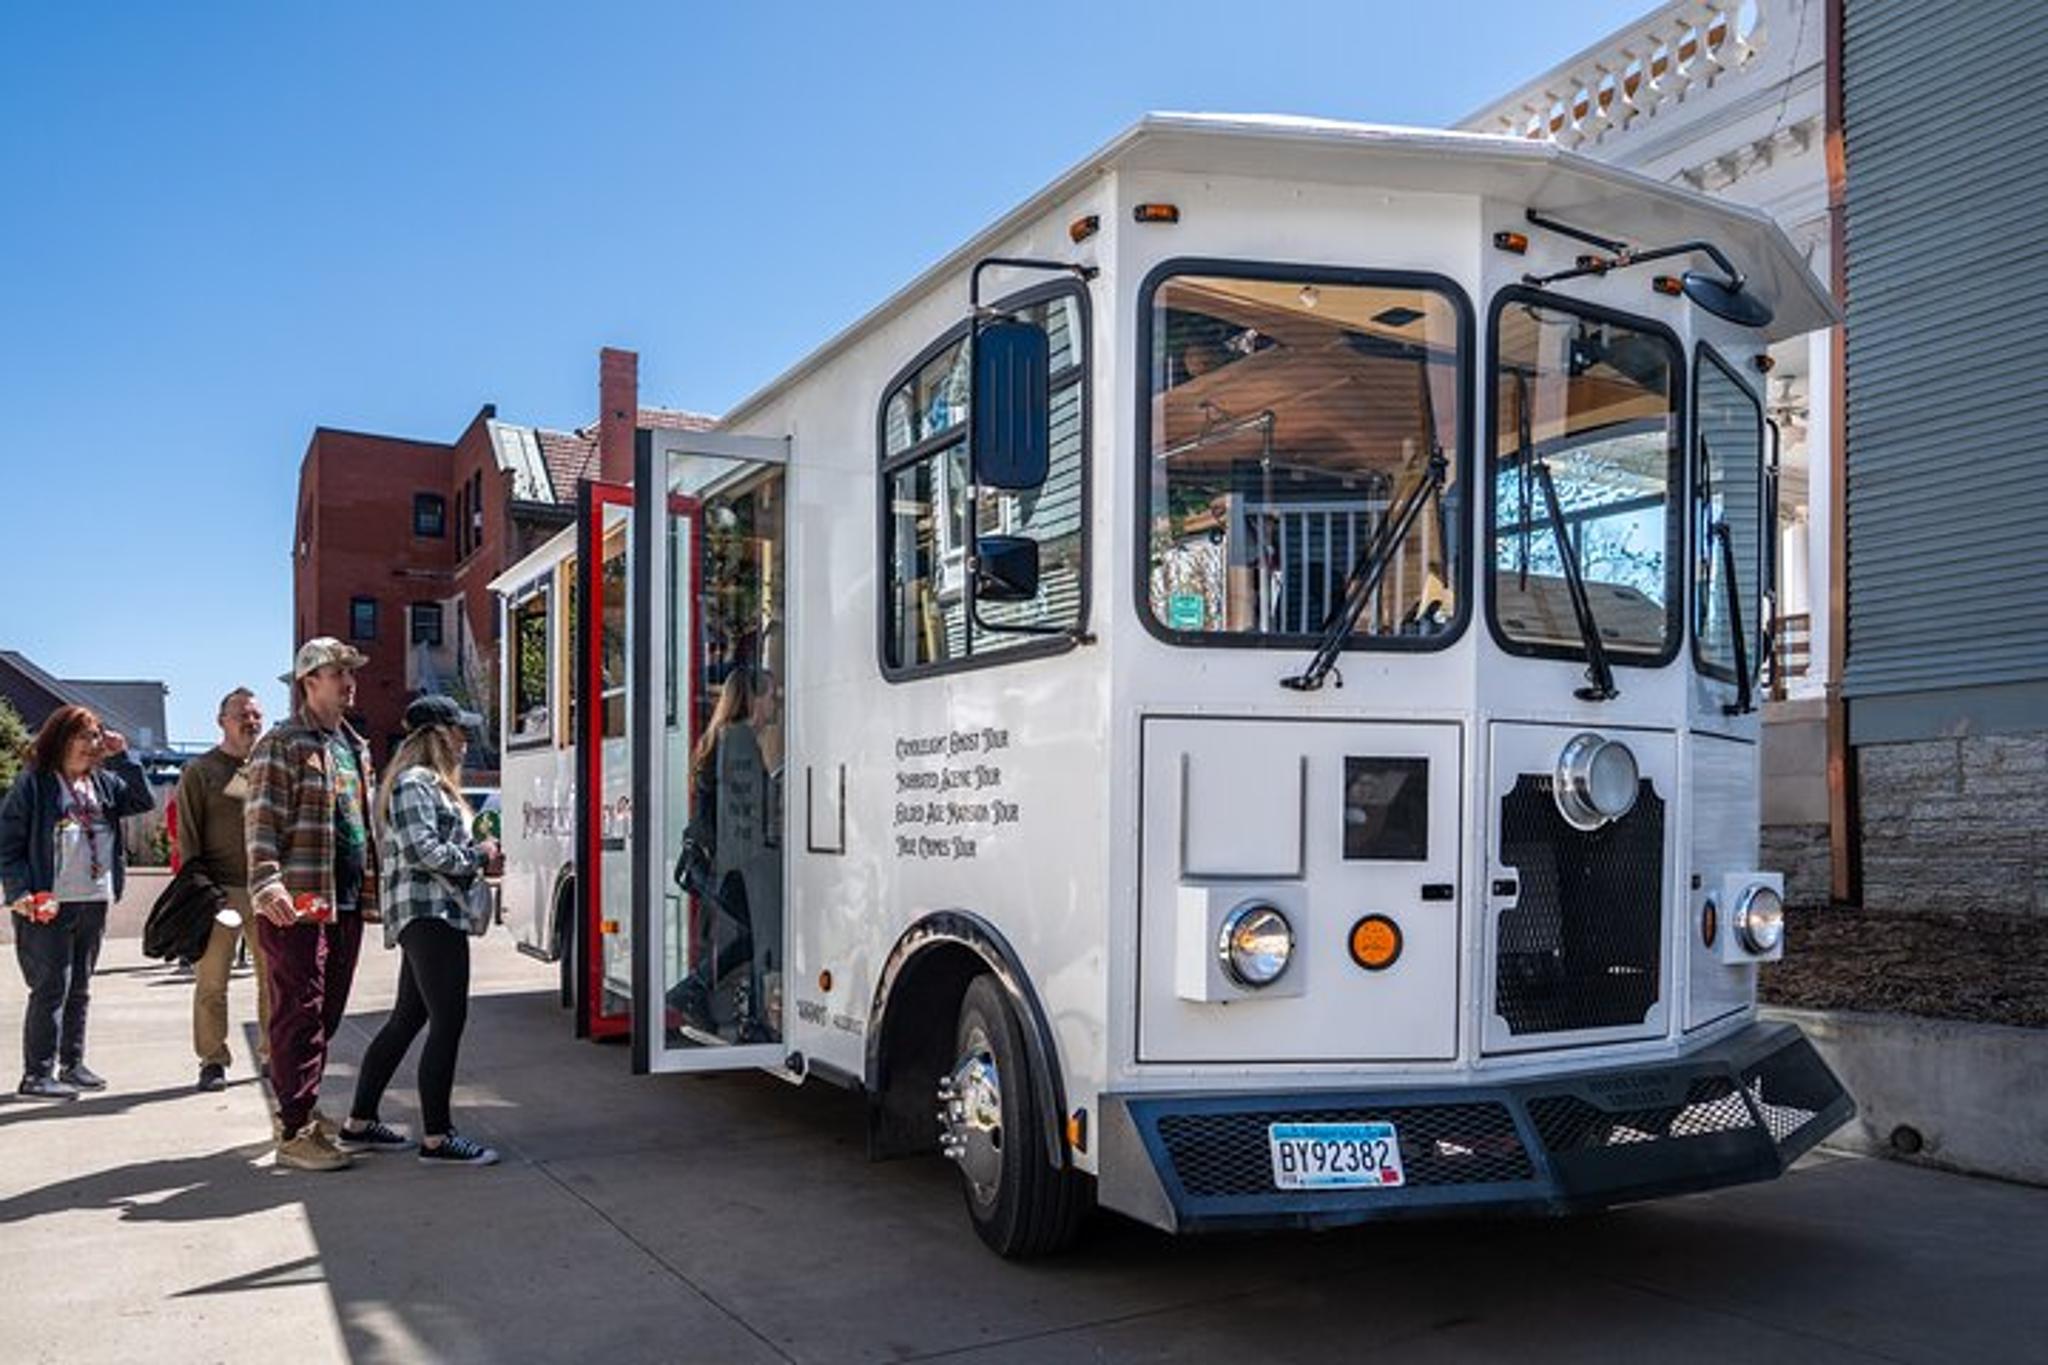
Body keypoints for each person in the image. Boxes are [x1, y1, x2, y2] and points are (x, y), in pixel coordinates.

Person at [340, 695, 501, 1166]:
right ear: (437, 735)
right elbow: (422, 850)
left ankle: (360, 1122)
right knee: (448, 1022)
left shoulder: (423, 784)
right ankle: (437, 1137)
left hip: (426, 914)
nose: (466, 741)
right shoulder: (416, 783)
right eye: (460, 731)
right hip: (430, 914)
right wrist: (479, 856)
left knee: (408, 1019)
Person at [245, 638, 377, 1171]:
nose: (348, 681)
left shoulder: (355, 746)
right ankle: (295, 1129)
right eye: (335, 672)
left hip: (344, 902)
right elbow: (261, 819)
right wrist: (266, 883)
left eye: (350, 671)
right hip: (295, 902)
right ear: (308, 682)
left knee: (326, 1010)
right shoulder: (282, 742)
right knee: (298, 1008)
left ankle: (301, 1110)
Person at [1, 705, 156, 1098]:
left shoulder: (103, 783)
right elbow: (8, 844)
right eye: (84, 736)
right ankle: (36, 1075)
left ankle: (72, 1064)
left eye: (96, 736)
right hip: (47, 902)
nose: (93, 744)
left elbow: (141, 802)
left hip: (93, 898)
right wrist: (19, 893)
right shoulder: (35, 783)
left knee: (81, 987)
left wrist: (124, 758)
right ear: (61, 739)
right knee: (51, 986)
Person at [669, 665, 780, 1042]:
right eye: (770, 695)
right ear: (752, 699)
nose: (775, 704)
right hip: (725, 864)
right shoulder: (740, 740)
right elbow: (743, 816)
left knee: (753, 934)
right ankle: (718, 1002)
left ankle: (702, 994)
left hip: (710, 860)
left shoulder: (722, 737)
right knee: (763, 934)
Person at [176, 686, 271, 1092]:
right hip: (220, 893)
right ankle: (212, 1060)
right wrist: (202, 893)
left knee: (275, 981)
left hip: (267, 890)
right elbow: (188, 837)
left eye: (255, 716)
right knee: (212, 982)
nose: (250, 722)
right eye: (242, 716)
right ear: (222, 721)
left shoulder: (269, 768)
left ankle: (271, 1053)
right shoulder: (200, 772)